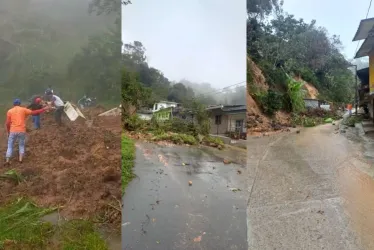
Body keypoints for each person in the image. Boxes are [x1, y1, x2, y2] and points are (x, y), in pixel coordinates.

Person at [5, 99, 48, 164]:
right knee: (21, 145)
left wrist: (8, 132)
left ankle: (7, 160)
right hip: (22, 130)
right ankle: (20, 160)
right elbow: (34, 112)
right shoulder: (23, 109)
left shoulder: (9, 111)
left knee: (10, 145)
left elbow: (8, 123)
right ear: (20, 104)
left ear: (13, 104)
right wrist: (44, 109)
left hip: (13, 130)